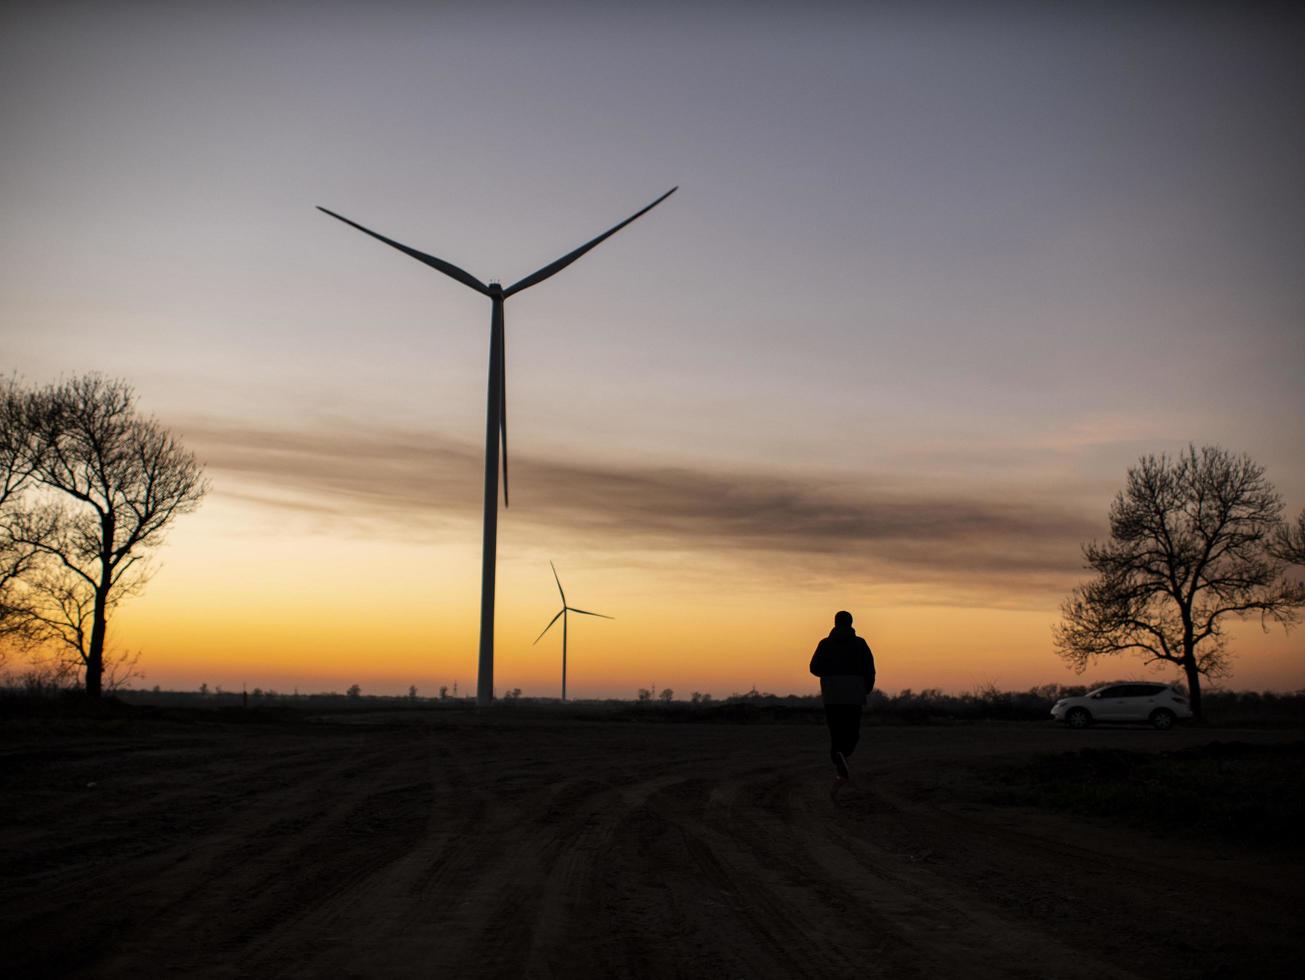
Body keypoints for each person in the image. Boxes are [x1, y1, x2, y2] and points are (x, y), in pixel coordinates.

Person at [809, 610, 876, 793]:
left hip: (832, 695)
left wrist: (831, 673)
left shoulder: (825, 644)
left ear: (835, 622)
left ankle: (839, 761)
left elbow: (814, 668)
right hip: (854, 694)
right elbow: (870, 668)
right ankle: (843, 755)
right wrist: (866, 688)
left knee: (836, 731)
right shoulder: (860, 644)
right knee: (852, 732)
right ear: (851, 622)